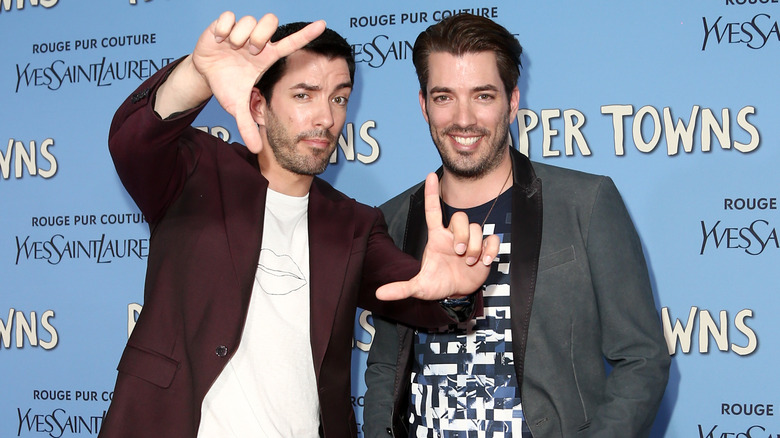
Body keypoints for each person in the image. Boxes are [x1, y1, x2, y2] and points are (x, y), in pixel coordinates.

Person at [99, 11, 499, 438]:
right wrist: (197, 73)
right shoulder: (195, 171)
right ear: (258, 104)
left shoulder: (354, 224)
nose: (326, 118)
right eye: (304, 95)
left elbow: (412, 292)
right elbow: (133, 141)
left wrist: (456, 292)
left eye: (339, 98)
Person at [364, 13, 671, 438]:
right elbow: (384, 364)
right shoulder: (395, 219)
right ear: (423, 105)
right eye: (444, 97)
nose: (463, 118)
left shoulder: (585, 203)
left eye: (483, 96)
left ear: (512, 102)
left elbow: (642, 357)